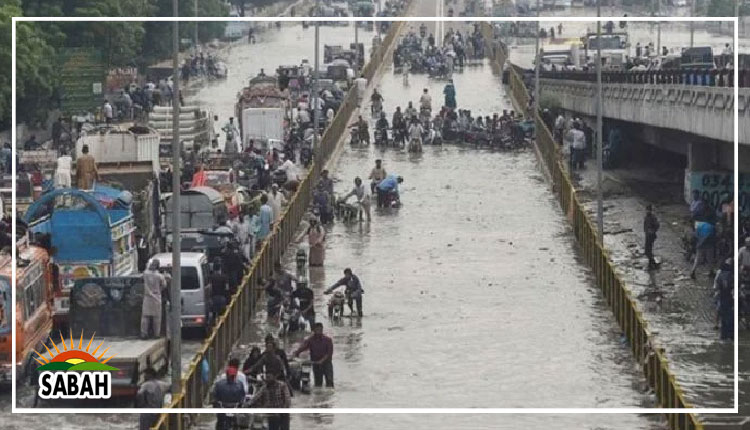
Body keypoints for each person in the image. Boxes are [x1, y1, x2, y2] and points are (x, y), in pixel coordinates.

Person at [293, 322, 334, 387]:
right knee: (318, 384)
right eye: (317, 330)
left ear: (322, 330)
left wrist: (321, 361)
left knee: (330, 382)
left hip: (327, 364)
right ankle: (319, 396)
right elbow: (303, 347)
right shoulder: (310, 340)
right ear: (314, 330)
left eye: (320, 330)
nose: (318, 332)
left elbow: (329, 353)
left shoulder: (328, 340)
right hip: (316, 364)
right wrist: (296, 353)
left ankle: (329, 396)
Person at [141, 259, 170, 339]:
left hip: (147, 297)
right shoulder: (159, 276)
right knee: (156, 318)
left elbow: (145, 271)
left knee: (145, 316)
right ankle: (156, 334)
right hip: (157, 296)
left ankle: (144, 333)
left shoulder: (145, 274)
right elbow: (164, 285)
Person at [714, 259, 733, 340]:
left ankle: (725, 335)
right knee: (727, 318)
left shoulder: (723, 275)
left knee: (726, 318)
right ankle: (726, 335)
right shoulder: (727, 276)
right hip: (725, 298)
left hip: (726, 298)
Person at [643, 205, 660, 270]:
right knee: (647, 250)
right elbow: (645, 225)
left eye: (648, 210)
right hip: (647, 235)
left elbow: (657, 225)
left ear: (650, 210)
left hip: (651, 236)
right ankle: (651, 263)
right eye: (646, 210)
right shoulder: (646, 217)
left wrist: (652, 231)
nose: (647, 211)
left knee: (648, 250)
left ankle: (653, 263)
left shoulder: (652, 217)